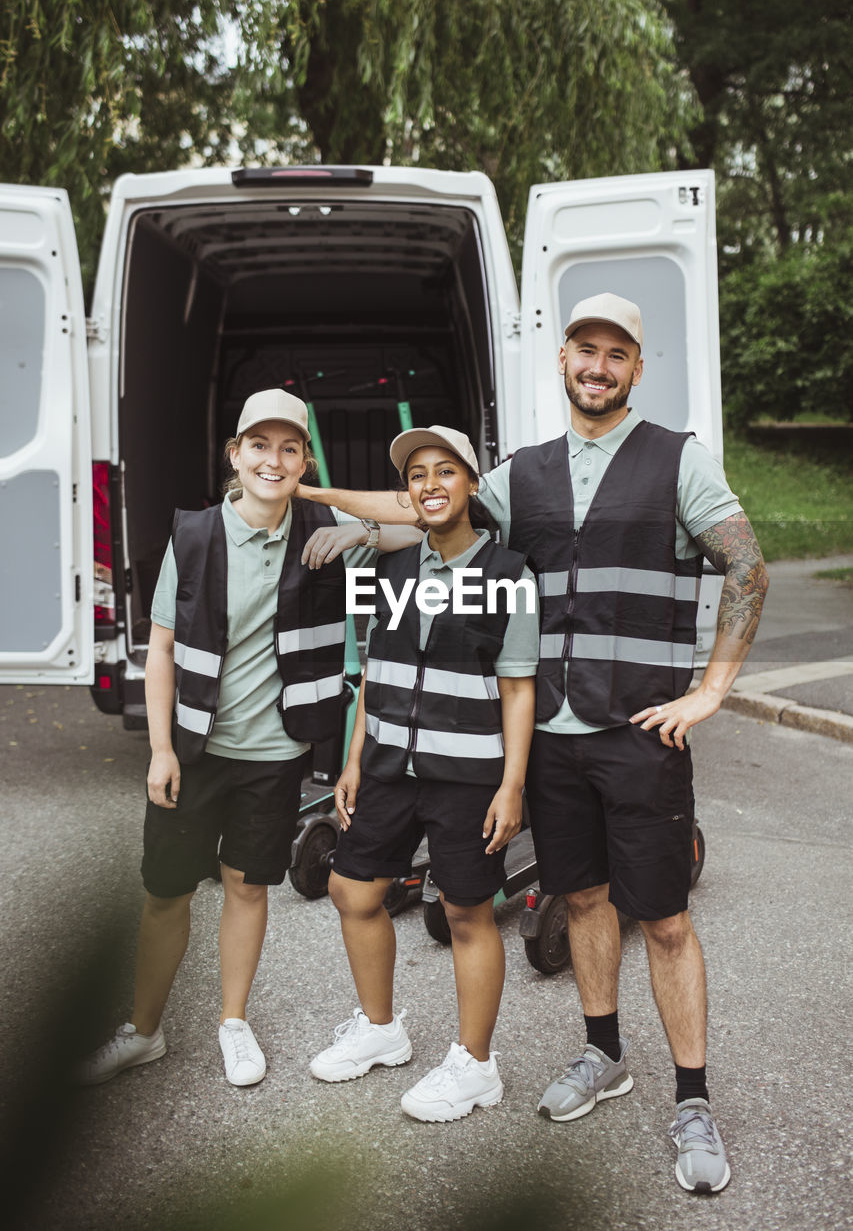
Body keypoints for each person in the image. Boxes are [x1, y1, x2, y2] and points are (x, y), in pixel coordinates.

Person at [297, 293, 769, 1191]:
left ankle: (693, 1100)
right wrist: (330, 506)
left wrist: (711, 691)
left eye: (615, 354)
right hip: (549, 735)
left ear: (635, 367)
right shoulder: (522, 473)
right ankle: (602, 1053)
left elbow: (744, 564)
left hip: (639, 731)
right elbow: (426, 505)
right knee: (582, 899)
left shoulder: (678, 460)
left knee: (664, 920)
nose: (597, 366)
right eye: (583, 350)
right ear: (561, 360)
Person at [76, 389, 418, 1088]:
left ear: (304, 459)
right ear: (235, 455)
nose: (274, 459)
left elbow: (426, 518)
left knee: (246, 886)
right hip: (196, 749)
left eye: (289, 447)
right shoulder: (195, 535)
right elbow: (163, 649)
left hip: (275, 753)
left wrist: (351, 526)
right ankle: (144, 1032)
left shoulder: (323, 536)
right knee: (165, 892)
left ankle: (233, 1022)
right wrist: (162, 749)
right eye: (259, 446)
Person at [308, 426, 538, 1122]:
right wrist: (352, 761)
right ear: (407, 494)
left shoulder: (509, 576)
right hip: (385, 767)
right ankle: (381, 1031)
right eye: (417, 475)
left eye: (445, 471)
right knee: (352, 891)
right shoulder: (396, 572)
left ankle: (475, 1066)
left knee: (466, 913)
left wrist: (511, 784)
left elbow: (518, 687)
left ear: (471, 485)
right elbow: (374, 672)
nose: (430, 484)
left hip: (468, 774)